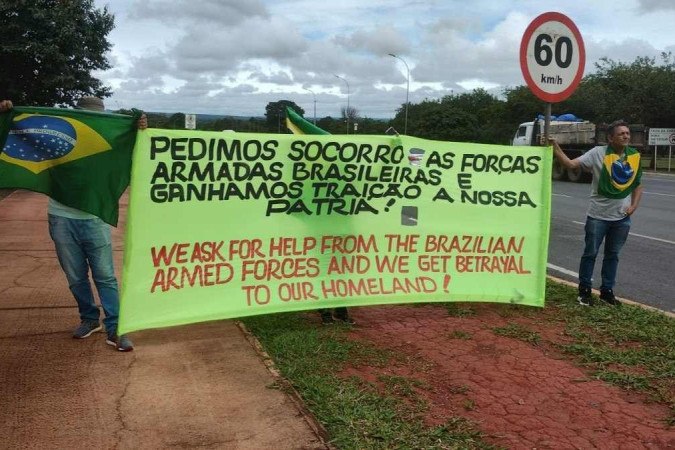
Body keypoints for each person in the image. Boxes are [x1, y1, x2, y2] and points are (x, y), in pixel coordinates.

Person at [0, 97, 148, 350]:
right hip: (61, 218)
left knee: (105, 277)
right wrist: (7, 114)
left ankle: (115, 327)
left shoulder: (109, 143)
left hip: (94, 220)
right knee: (75, 276)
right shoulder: (56, 141)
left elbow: (136, 152)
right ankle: (90, 319)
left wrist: (140, 127)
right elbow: (18, 135)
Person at [548, 119, 643, 307]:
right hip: (598, 216)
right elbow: (570, 164)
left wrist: (633, 206)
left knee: (613, 255)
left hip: (621, 219)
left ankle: (607, 291)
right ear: (610, 138)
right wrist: (555, 146)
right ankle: (584, 291)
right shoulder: (597, 153)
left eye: (627, 133)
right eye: (621, 134)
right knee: (590, 253)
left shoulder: (634, 156)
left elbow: (638, 185)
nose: (625, 136)